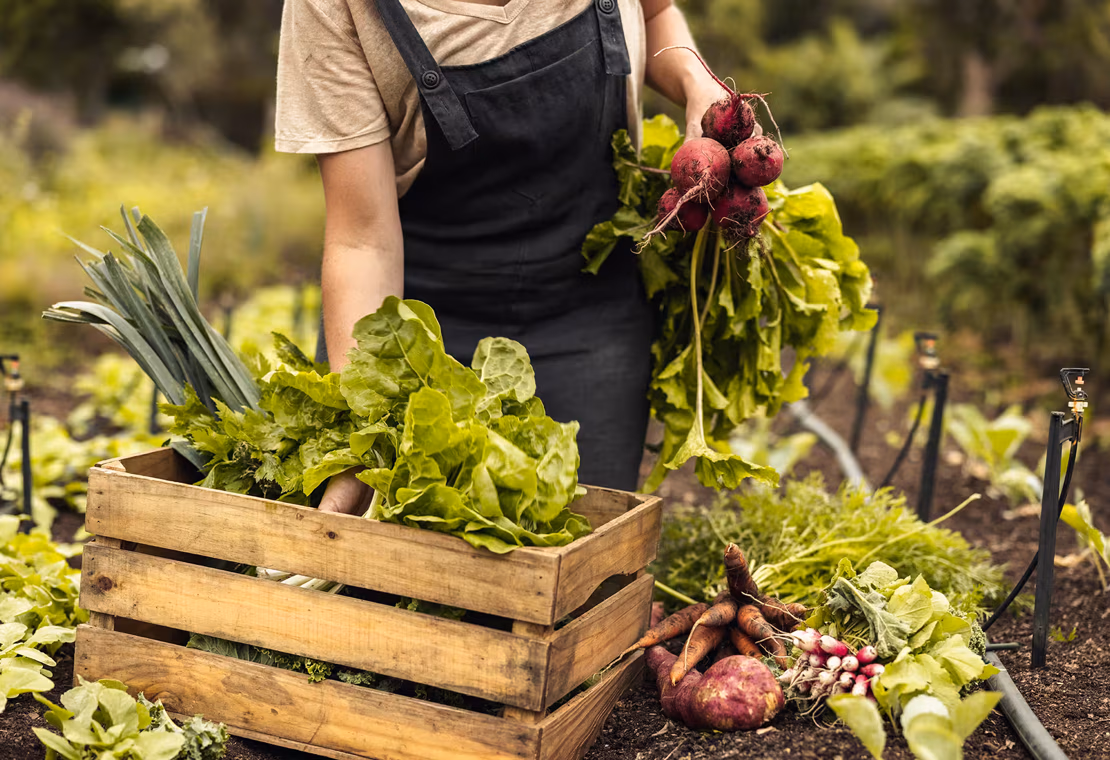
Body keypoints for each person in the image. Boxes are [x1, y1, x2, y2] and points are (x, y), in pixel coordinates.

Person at [275, 0, 724, 513]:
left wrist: (696, 82)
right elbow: (363, 241)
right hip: (422, 346)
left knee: (581, 573)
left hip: (592, 317)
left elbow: (653, 11)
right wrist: (364, 428)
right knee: (393, 580)